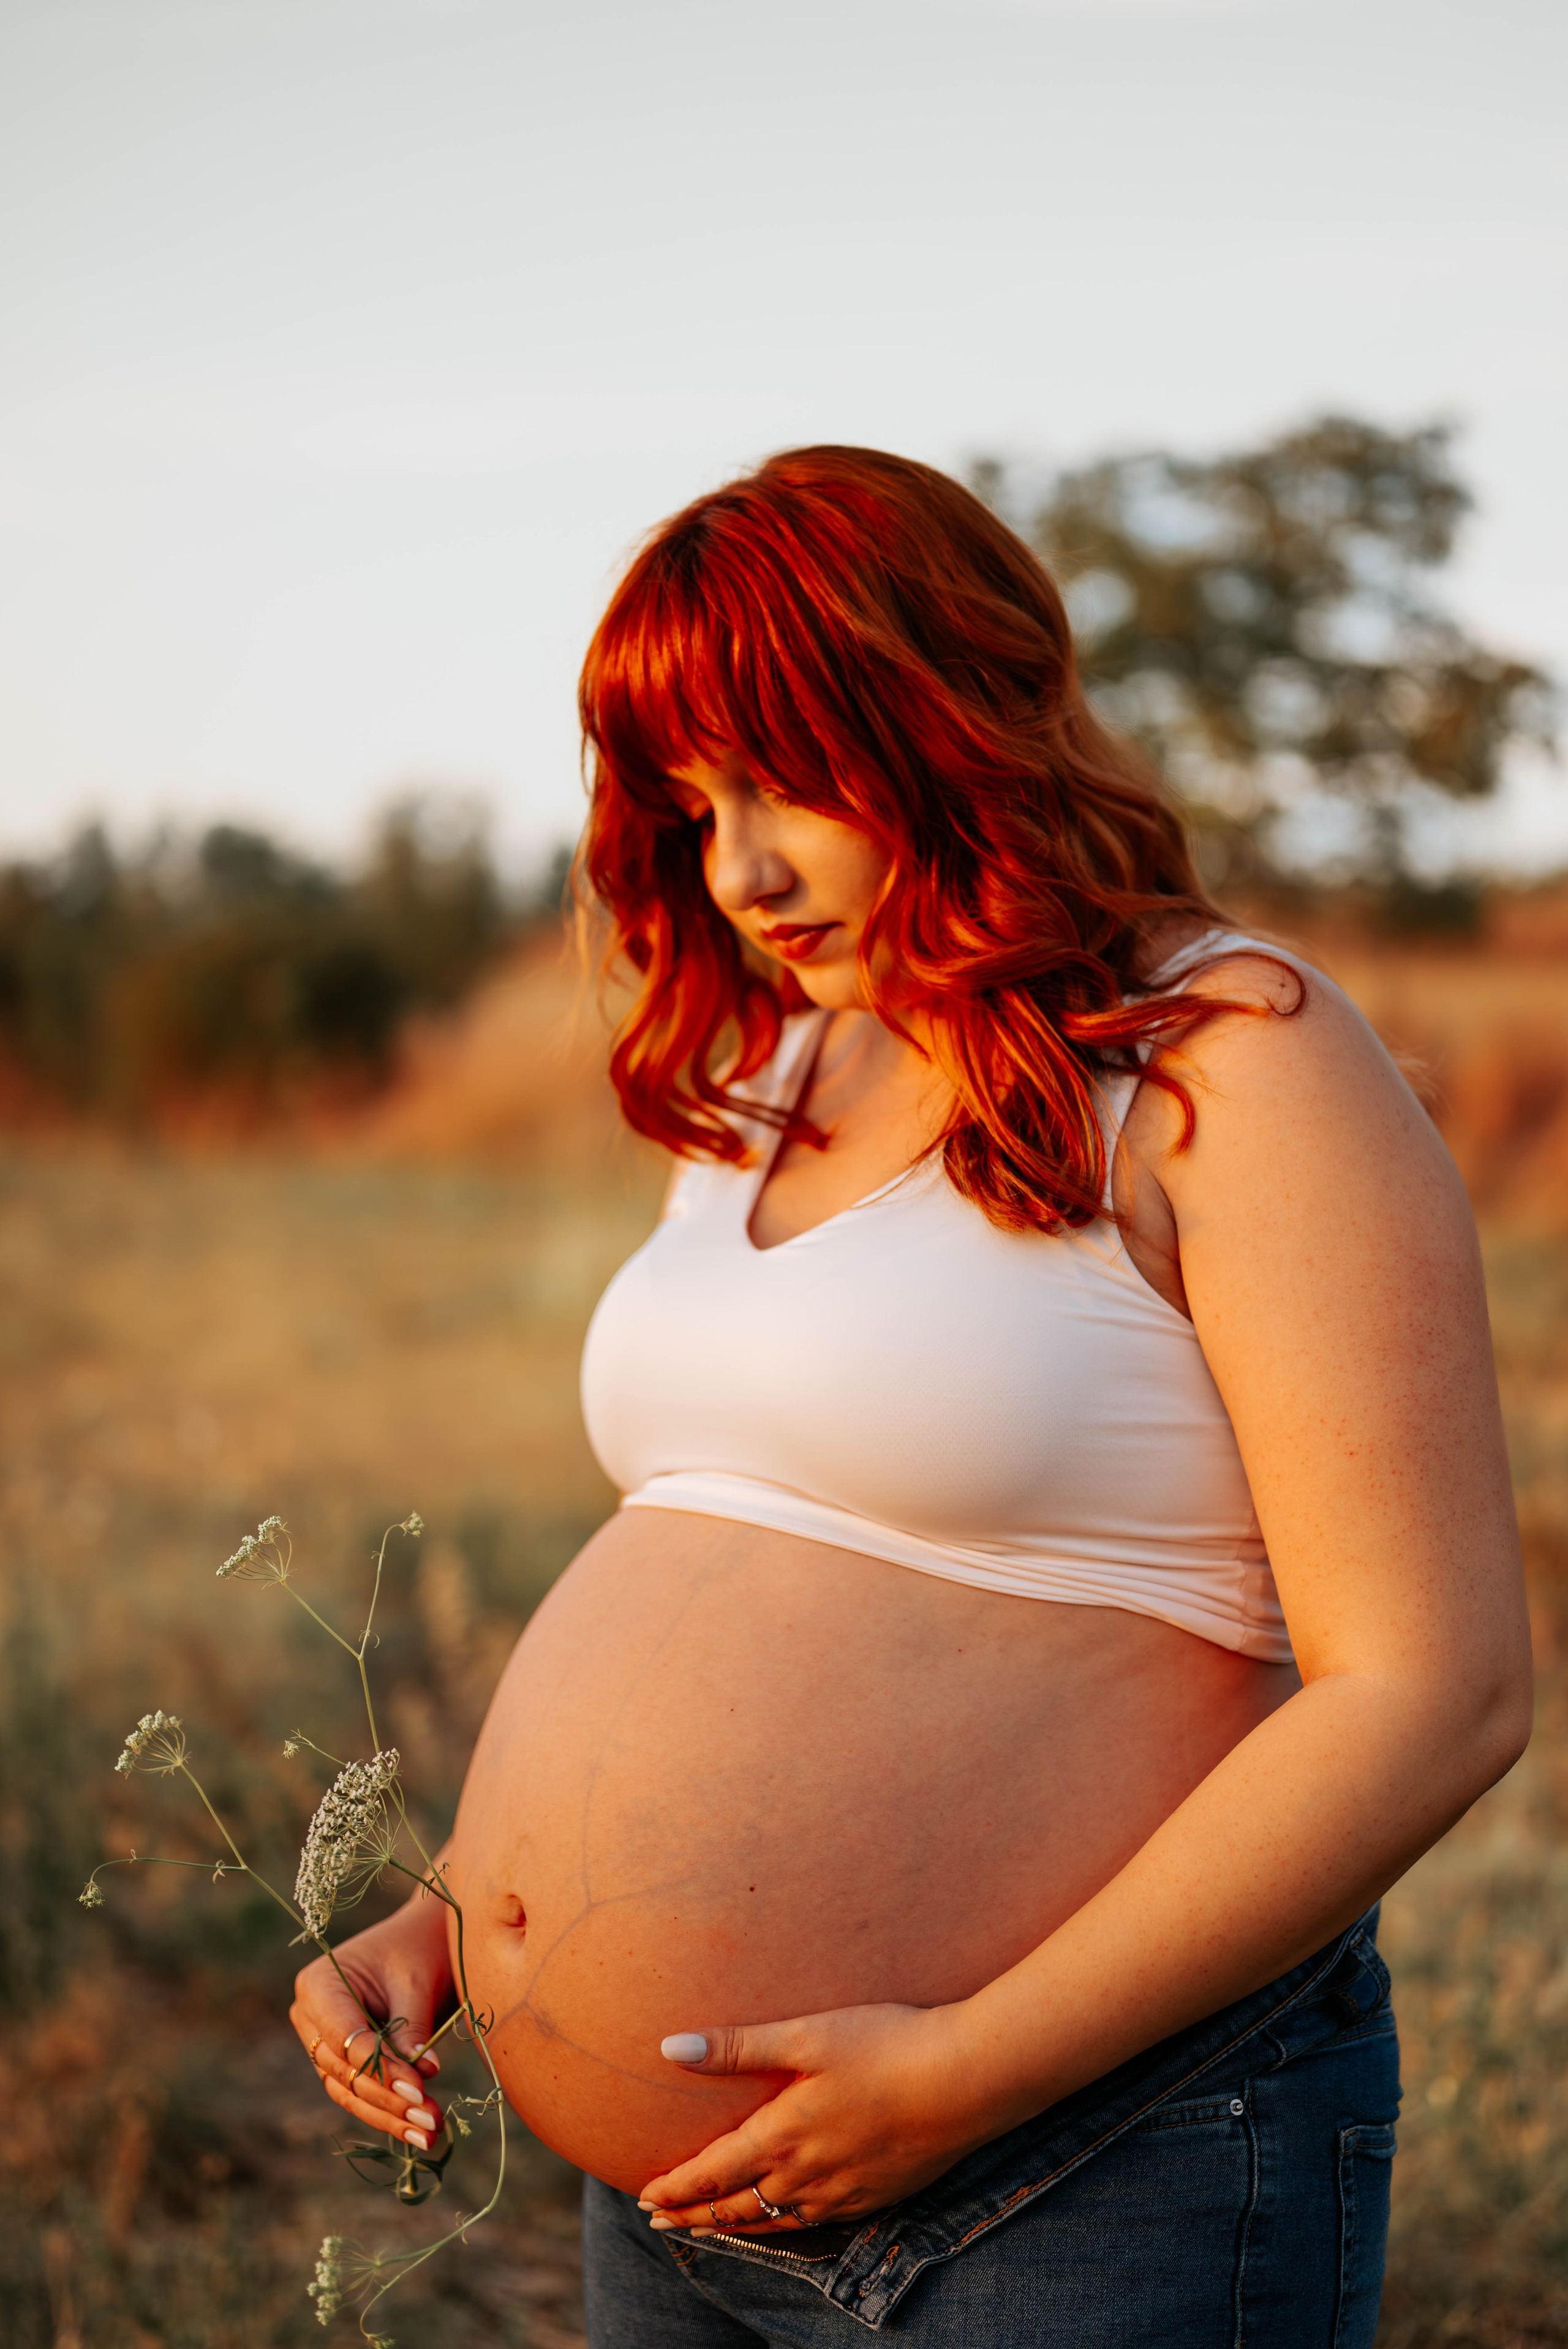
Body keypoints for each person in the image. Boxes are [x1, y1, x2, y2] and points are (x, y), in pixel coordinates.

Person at [289, 446, 1531, 2346]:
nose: (739, 866)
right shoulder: (783, 1067)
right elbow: (736, 1536)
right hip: (678, 2206)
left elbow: (1434, 1691)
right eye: (694, 800)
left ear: (951, 708)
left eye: (787, 777)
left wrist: (966, 2067)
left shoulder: (1229, 1056)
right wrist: (456, 1917)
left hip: (1073, 2169)